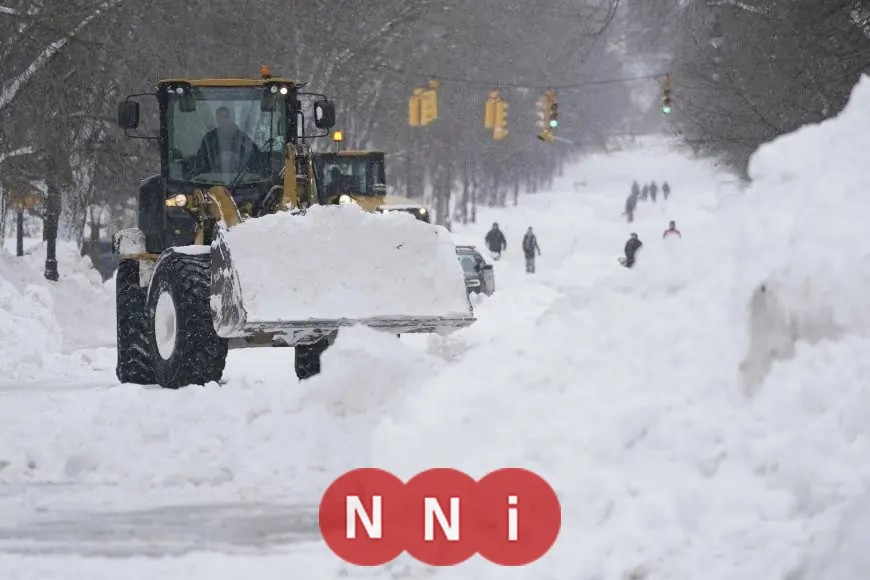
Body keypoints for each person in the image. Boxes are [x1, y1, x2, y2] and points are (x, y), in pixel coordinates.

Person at [195, 106, 260, 175]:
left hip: (240, 180)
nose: (223, 120)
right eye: (220, 118)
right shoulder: (209, 138)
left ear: (230, 118)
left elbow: (254, 159)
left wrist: (237, 157)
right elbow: (201, 161)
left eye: (225, 117)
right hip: (213, 181)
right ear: (217, 120)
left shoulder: (242, 137)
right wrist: (217, 160)